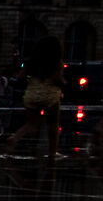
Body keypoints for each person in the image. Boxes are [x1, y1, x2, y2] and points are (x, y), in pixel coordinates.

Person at [6, 33, 65, 161]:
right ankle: (52, 152)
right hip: (50, 96)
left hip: (32, 95)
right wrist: (64, 83)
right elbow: (57, 79)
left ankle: (14, 138)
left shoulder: (31, 62)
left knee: (31, 124)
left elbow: (20, 77)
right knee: (53, 125)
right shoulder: (56, 63)